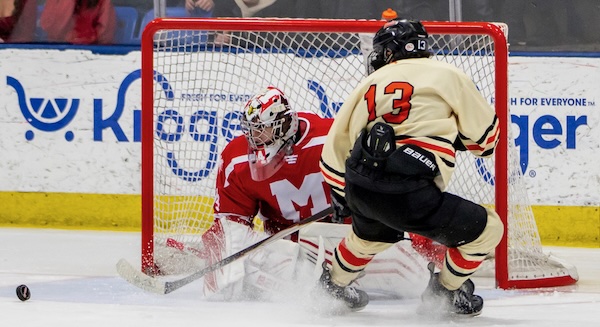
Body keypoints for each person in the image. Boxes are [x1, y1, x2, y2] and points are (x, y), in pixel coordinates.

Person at [161, 86, 435, 301]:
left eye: (262, 130)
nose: (255, 138)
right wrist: (219, 252)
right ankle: (325, 292)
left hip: (352, 242)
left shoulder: (335, 138)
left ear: (282, 124)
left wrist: (359, 200)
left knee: (416, 279)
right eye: (251, 131)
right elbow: (232, 224)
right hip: (293, 252)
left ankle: (338, 284)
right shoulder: (237, 160)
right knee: (232, 242)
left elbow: (386, 189)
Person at [316, 19, 504, 316]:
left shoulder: (367, 84)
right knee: (489, 230)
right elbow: (487, 142)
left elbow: (333, 153)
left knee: (369, 237)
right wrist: (454, 137)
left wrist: (345, 196)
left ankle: (332, 286)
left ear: (388, 53)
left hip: (361, 183)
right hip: (412, 193)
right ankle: (445, 292)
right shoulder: (448, 75)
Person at [40, 0, 116, 45]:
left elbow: (105, 34)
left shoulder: (103, 1)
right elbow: (49, 26)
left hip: (90, 50)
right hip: (57, 50)